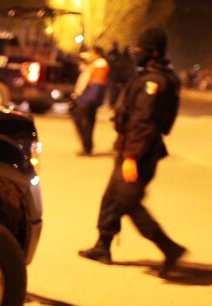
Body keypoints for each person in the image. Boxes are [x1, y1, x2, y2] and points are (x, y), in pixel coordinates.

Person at [78, 27, 186, 277]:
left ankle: (170, 249)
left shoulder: (153, 82)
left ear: (154, 53)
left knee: (128, 201)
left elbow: (143, 123)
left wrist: (131, 157)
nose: (135, 53)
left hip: (140, 152)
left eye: (140, 49)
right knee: (112, 197)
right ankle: (102, 246)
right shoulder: (153, 76)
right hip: (130, 148)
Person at [71, 46, 109, 156]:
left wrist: (86, 100)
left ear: (98, 54)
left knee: (84, 122)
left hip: (88, 99)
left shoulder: (100, 65)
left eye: (91, 53)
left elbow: (97, 85)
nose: (89, 55)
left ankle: (87, 147)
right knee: (87, 123)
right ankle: (87, 147)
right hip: (86, 98)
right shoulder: (93, 65)